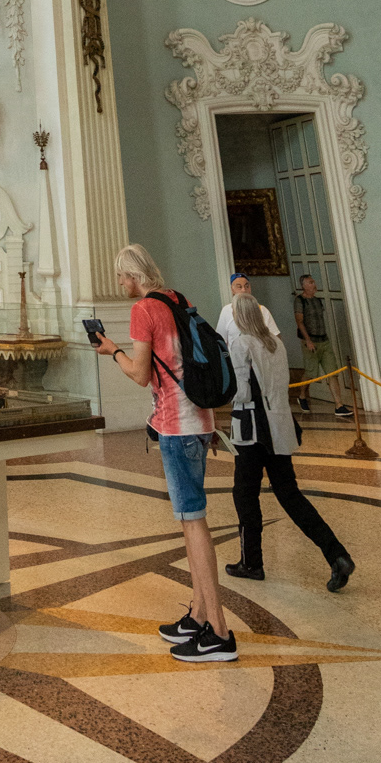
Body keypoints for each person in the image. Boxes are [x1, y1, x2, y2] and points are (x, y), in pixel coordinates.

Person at [93, 242, 237, 663]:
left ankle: (220, 632)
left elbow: (140, 374)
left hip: (176, 424)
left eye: (121, 276)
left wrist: (112, 350)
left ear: (133, 275)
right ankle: (196, 615)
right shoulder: (178, 299)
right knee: (191, 519)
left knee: (193, 522)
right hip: (201, 418)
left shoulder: (143, 310)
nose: (120, 283)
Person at [224, 294, 355, 592]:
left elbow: (242, 392)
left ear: (238, 316)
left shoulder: (241, 344)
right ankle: (336, 554)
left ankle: (252, 562)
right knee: (290, 496)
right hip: (281, 425)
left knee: (245, 494)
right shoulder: (276, 343)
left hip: (253, 430)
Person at [293, 274, 352, 418]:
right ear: (304, 285)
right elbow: (299, 322)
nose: (314, 285)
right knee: (311, 373)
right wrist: (308, 340)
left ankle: (339, 405)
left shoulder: (318, 301)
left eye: (314, 282)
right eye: (311, 282)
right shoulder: (300, 301)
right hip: (310, 342)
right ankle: (302, 396)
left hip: (323, 340)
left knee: (332, 372)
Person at [216, 273, 279, 344]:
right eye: (239, 287)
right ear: (232, 290)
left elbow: (276, 337)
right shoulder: (226, 310)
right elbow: (221, 340)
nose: (244, 290)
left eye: (247, 286)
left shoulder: (262, 310)